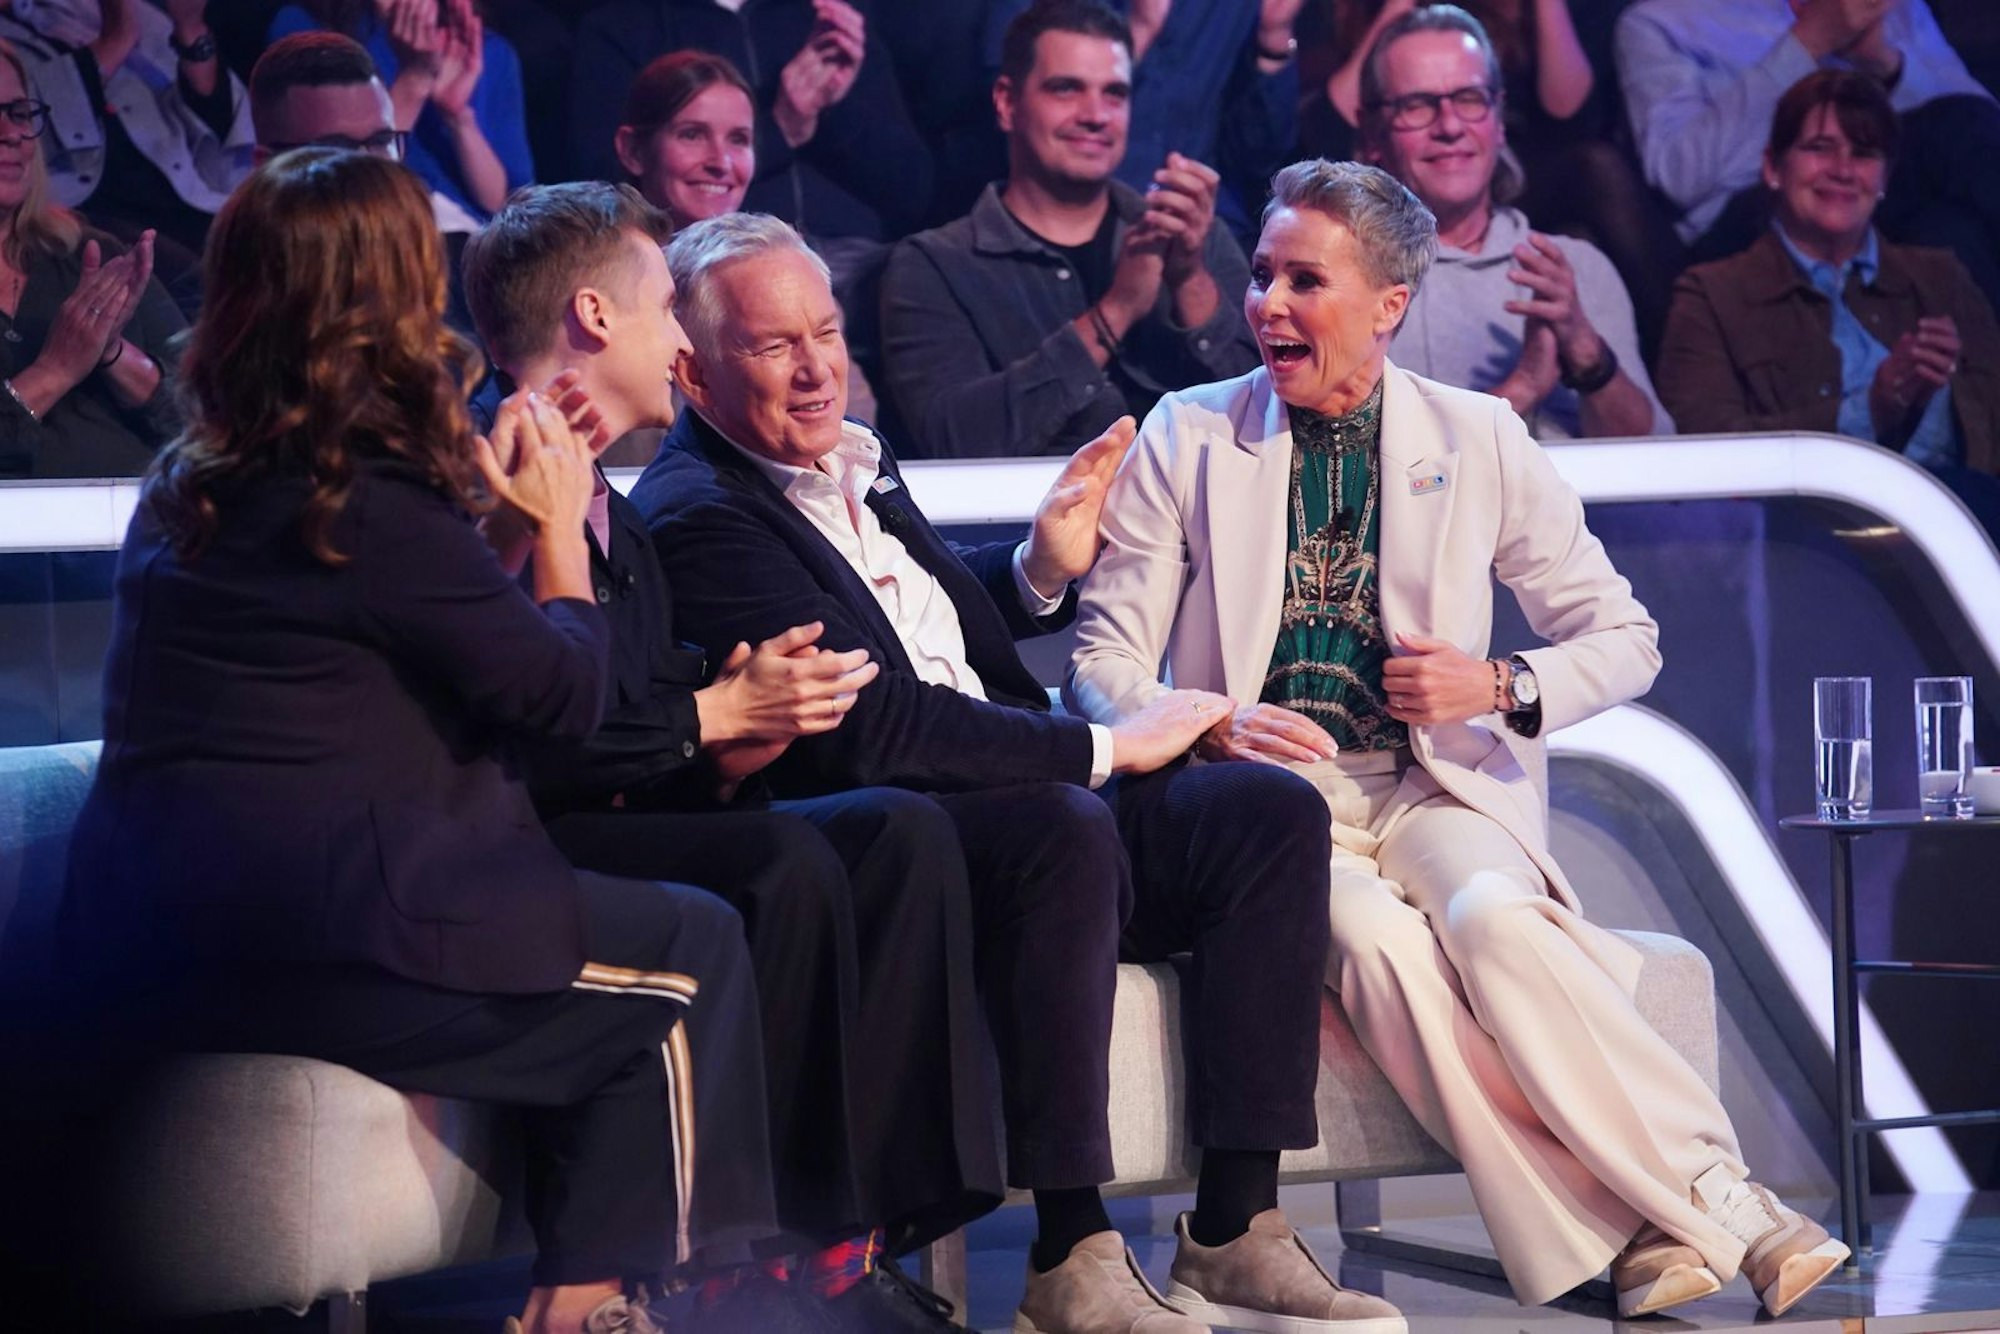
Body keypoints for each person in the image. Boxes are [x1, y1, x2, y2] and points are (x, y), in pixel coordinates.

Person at [1065, 156, 1850, 1321]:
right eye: (1262, 277)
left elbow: (1622, 636)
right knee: (1382, 949)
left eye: (1302, 281)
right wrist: (1207, 718)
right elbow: (1099, 663)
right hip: (1275, 811)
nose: (1266, 305)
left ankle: (1680, 1202)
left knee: (1492, 921)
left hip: (1433, 787)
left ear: (1387, 304)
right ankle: (1696, 1207)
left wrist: (1495, 677)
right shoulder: (1185, 435)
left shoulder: (1475, 435)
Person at [634, 210, 1406, 1334]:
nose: (815, 370)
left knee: (1260, 809)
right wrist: (1103, 744)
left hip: (1017, 787)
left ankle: (1235, 1225)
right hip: (915, 832)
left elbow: (919, 632)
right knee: (1063, 820)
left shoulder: (851, 452)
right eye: (770, 346)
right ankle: (1070, 1248)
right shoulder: (698, 513)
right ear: (693, 371)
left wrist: (1035, 569)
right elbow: (874, 720)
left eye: (825, 332)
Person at [54, 148, 775, 1334]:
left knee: (643, 937)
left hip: (160, 931)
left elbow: (421, 631)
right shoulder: (366, 490)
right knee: (688, 954)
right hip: (318, 939)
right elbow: (557, 697)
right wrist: (552, 537)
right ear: (381, 292)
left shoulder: (200, 475)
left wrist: (498, 514)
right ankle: (612, 1308)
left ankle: (588, 1301)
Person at [461, 180, 1010, 1331]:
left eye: (825, 336)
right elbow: (527, 716)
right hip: (502, 840)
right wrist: (709, 718)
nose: (679, 341)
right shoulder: (492, 477)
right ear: (600, 320)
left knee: (885, 828)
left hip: (611, 801)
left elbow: (644, 695)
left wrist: (733, 736)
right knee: (784, 863)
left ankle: (847, 1243)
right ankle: (758, 1264)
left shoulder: (605, 489)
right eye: (668, 305)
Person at [879, 0, 1260, 458]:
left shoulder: (1194, 239)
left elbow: (1268, 412)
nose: (1096, 115)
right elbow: (954, 440)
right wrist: (1114, 313)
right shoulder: (932, 266)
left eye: (1114, 94)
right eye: (1066, 90)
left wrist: (1189, 281)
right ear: (1006, 102)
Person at [1657, 70, 2000, 535]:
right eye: (1819, 148)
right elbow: (1706, 454)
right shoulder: (1712, 293)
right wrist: (1871, 409)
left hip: (1965, 519)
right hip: (1810, 539)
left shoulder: (1941, 278)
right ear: (1773, 168)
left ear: (1884, 178)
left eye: (1863, 153)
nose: (1842, 169)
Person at [1357, 5, 1668, 440]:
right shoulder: (1346, 279)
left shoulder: (1573, 268)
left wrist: (1589, 359)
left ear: (1499, 121)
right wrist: (1520, 389)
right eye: (1417, 105)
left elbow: (1656, 461)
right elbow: (1352, 466)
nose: (1449, 126)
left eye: (1468, 99)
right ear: (1372, 133)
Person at [1306, 0, 1679, 351]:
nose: (1449, 122)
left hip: (1518, 171)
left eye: (1467, 97)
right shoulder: (1359, 13)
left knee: (1594, 186)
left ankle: (1679, 337)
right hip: (1405, 179)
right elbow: (1333, 130)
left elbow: (1570, 118)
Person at [1616, 0, 2000, 308]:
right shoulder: (1659, 22)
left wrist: (1884, 64)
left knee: (1950, 236)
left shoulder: (1892, 7)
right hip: (1753, 219)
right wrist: (1805, 45)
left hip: (1882, 193)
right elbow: (1679, 176)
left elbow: (1978, 121)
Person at [569, 0, 930, 248]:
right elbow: (606, 190)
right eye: (693, 133)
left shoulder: (834, 22)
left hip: (859, 264)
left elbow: (913, 190)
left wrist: (832, 112)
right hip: (710, 265)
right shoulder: (622, 27)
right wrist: (780, 128)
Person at [979, 0, 1306, 251]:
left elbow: (1259, 157)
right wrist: (1139, 30)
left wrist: (1272, 36)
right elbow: (1005, 113)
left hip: (1202, 230)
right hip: (1070, 223)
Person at [0, 39, 183, 478]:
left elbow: (217, 417)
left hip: (134, 533)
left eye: (19, 113)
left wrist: (114, 354)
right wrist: (54, 370)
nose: (11, 135)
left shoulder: (94, 256)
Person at [0, 0, 252, 310]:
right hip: (95, 206)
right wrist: (117, 35)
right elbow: (31, 126)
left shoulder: (78, 9)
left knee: (273, 251)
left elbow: (220, 117)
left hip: (185, 186)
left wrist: (190, 27)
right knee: (199, 281)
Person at [270, 0, 532, 220]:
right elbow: (336, 187)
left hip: (469, 248)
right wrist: (415, 79)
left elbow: (503, 203)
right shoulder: (309, 35)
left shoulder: (485, 47)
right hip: (371, 232)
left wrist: (459, 119)